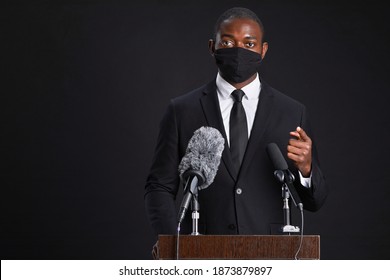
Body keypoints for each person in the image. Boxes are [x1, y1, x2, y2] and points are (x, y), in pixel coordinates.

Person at [144, 7, 327, 237]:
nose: (239, 51)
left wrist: (307, 169)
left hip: (272, 254)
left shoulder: (292, 112)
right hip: (201, 250)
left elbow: (315, 202)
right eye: (228, 43)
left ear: (263, 50)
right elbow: (159, 187)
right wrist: (174, 245)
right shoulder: (181, 110)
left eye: (249, 44)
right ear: (213, 47)